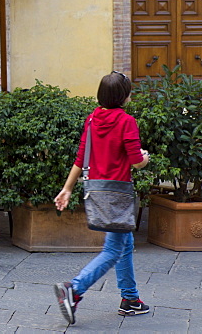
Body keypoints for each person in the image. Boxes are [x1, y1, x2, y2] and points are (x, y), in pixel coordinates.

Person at [52, 72, 151, 325]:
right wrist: (145, 157)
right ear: (124, 96)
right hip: (117, 193)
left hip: (97, 189)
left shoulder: (93, 119)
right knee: (113, 249)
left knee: (124, 244)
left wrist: (67, 188)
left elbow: (81, 156)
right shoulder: (126, 121)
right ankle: (74, 289)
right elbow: (136, 162)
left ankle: (130, 299)